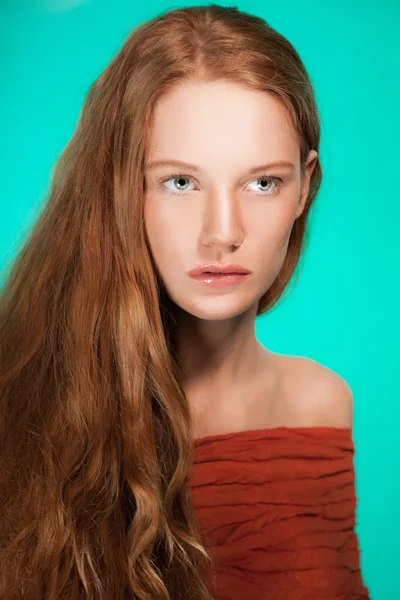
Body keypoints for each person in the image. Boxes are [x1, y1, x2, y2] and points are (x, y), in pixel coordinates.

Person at [0, 3, 370, 599]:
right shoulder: (31, 414)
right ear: (124, 187)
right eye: (180, 182)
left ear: (306, 187)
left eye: (262, 182)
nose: (221, 231)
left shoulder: (323, 403)